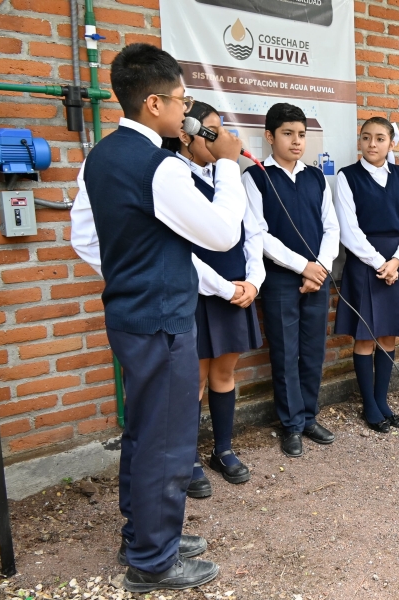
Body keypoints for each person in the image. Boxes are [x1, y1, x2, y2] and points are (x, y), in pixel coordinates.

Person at [71, 43, 246, 592]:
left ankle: (142, 532)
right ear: (153, 103)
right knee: (168, 438)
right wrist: (231, 168)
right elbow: (222, 234)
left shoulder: (99, 156)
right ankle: (153, 559)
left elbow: (84, 237)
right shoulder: (162, 167)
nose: (186, 110)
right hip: (164, 320)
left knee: (144, 432)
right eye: (180, 100)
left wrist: (134, 270)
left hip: (129, 313)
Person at [161, 101, 264, 497]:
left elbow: (253, 231)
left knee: (225, 373)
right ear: (185, 135)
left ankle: (223, 449)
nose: (221, 139)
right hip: (201, 293)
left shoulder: (230, 177)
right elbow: (180, 250)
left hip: (238, 291)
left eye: (221, 130)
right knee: (195, 379)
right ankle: (186, 459)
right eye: (211, 131)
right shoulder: (176, 180)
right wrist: (224, 286)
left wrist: (253, 281)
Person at [242, 103, 340, 456]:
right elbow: (259, 234)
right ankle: (291, 424)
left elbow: (331, 226)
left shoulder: (315, 177)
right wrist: (303, 267)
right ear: (269, 137)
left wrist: (321, 266)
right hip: (282, 280)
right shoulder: (254, 177)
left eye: (301, 134)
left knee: (313, 350)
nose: (296, 141)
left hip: (318, 276)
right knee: (285, 352)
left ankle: (309, 416)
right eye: (288, 134)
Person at [333, 116, 399, 432]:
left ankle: (382, 399)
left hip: (396, 264)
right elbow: (349, 230)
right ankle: (369, 405)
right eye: (366, 137)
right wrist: (378, 262)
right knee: (366, 335)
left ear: (391, 143)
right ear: (360, 141)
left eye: (380, 138)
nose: (372, 144)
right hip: (365, 264)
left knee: (387, 334)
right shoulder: (347, 177)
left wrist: (396, 261)